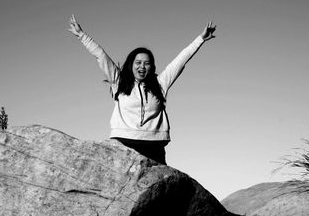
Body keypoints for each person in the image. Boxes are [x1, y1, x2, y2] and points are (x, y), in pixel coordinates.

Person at [68, 15, 216, 165]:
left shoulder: (160, 84)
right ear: (131, 64)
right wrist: (82, 35)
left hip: (154, 145)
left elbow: (180, 61)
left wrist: (200, 39)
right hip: (123, 142)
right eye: (138, 62)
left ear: (152, 67)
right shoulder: (119, 82)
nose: (142, 67)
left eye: (146, 63)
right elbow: (101, 56)